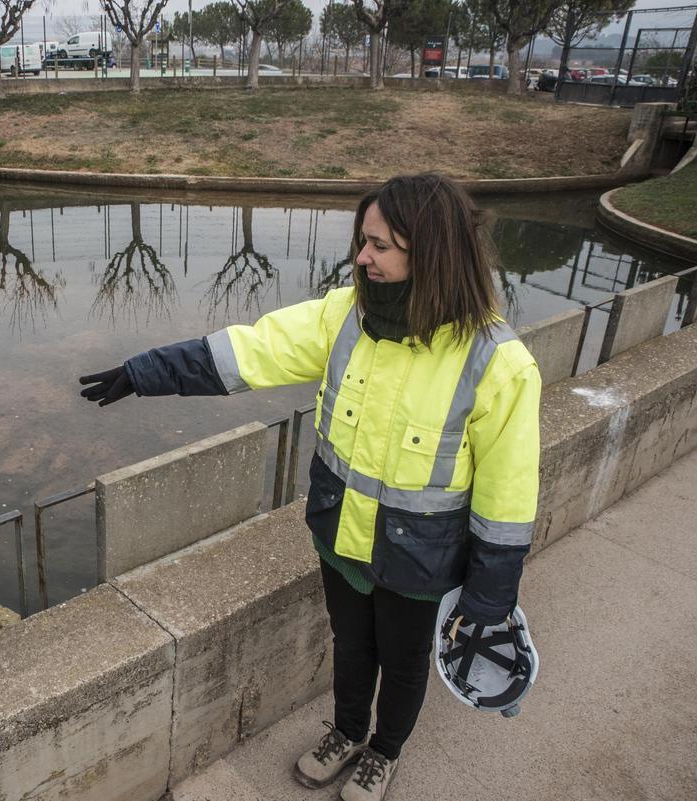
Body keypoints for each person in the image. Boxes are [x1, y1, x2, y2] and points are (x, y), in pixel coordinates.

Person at [78, 173, 540, 801]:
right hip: (340, 537)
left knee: (403, 666)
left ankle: (384, 751)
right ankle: (348, 731)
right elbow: (251, 352)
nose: (362, 257)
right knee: (351, 646)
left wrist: (487, 601)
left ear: (429, 251)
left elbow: (507, 500)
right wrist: (144, 372)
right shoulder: (345, 317)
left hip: (420, 561)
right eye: (363, 241)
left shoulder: (498, 363)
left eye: (379, 245)